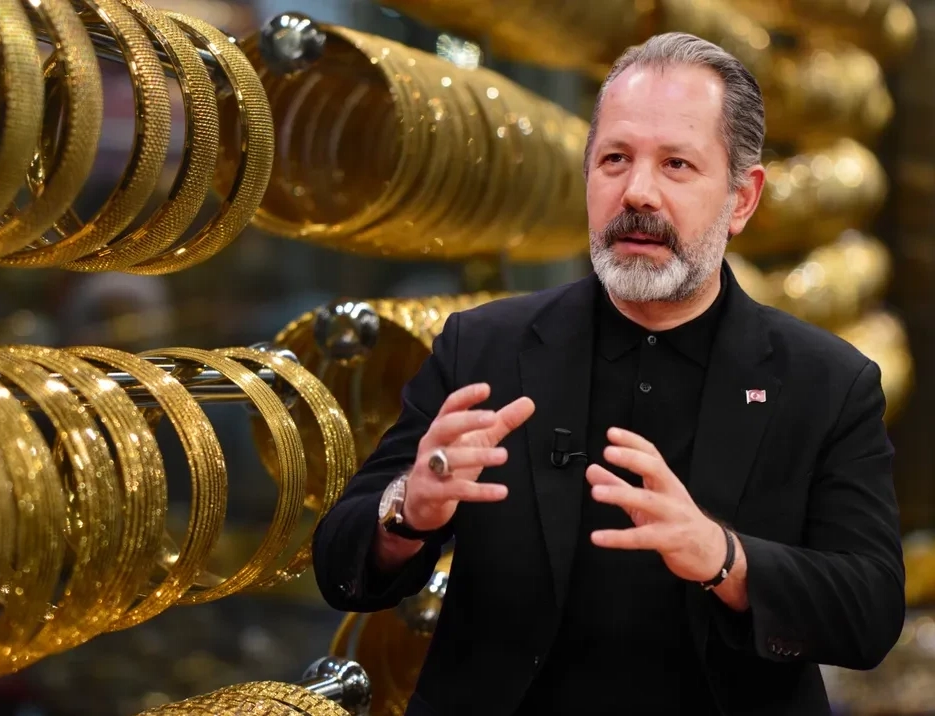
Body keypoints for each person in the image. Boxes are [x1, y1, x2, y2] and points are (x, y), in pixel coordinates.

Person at [311, 32, 905, 716]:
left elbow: (869, 613)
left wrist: (725, 558)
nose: (638, 193)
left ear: (742, 198)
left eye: (676, 164)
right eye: (615, 159)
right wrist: (405, 511)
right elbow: (340, 566)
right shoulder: (484, 348)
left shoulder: (827, 382)